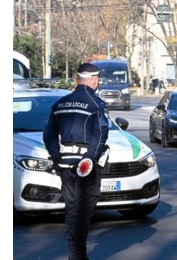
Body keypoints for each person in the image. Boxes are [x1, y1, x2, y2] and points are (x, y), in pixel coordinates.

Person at [43, 63, 110, 260]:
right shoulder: (96, 104)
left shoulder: (60, 104)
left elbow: (49, 135)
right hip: (85, 166)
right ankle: (78, 254)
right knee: (85, 207)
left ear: (77, 79)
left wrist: (56, 157)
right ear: (95, 80)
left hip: (65, 164)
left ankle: (75, 252)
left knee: (72, 208)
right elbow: (100, 136)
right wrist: (89, 159)